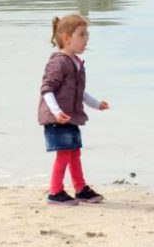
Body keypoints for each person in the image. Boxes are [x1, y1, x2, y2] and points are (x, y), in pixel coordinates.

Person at [38, 13, 110, 206]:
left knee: (74, 152)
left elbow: (80, 92)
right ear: (66, 38)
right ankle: (55, 192)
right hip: (58, 119)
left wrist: (96, 104)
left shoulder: (76, 63)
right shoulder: (58, 62)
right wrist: (55, 112)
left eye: (87, 35)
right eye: (81, 35)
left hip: (70, 117)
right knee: (64, 154)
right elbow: (47, 89)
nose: (86, 39)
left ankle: (80, 189)